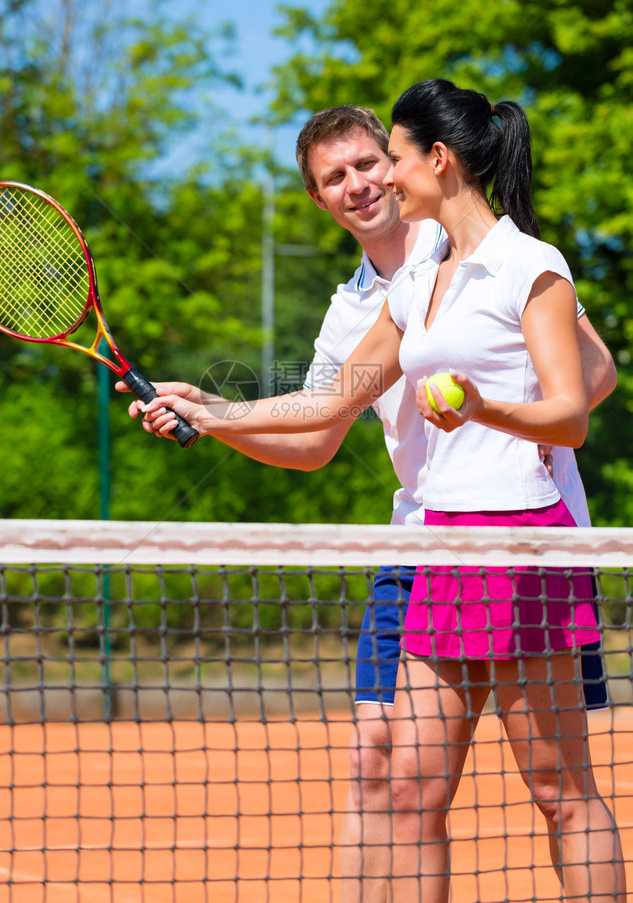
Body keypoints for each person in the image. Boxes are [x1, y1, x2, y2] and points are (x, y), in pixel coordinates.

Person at [118, 101, 619, 902]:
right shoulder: (387, 294)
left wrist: (511, 424)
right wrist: (213, 413)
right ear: (318, 198)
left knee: (558, 790)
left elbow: (588, 381)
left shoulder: (510, 257)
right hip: (426, 546)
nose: (365, 179)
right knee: (396, 775)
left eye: (376, 159)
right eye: (338, 175)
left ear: (429, 161)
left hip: (528, 535)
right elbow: (322, 417)